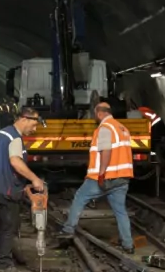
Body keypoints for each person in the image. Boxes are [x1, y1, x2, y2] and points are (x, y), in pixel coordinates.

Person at [57, 102, 135, 253]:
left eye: (95, 114)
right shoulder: (122, 128)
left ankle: (68, 230)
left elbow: (106, 151)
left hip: (106, 177)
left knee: (80, 197)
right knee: (120, 210)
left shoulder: (105, 128)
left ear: (99, 113)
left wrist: (101, 173)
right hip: (122, 178)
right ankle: (128, 244)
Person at [0, 106, 45, 272]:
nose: (35, 128)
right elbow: (15, 162)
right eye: (34, 124)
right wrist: (34, 179)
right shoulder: (15, 138)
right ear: (24, 119)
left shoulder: (3, 133)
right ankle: (5, 264)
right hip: (5, 189)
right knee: (9, 226)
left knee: (1, 224)